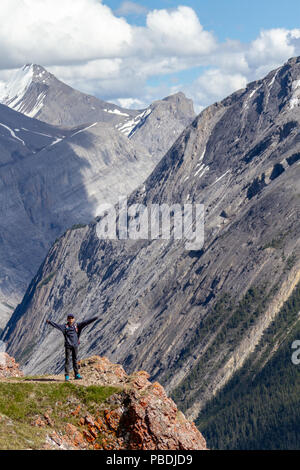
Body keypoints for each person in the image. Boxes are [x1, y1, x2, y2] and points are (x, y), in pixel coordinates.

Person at [46, 314, 98, 381]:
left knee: (75, 360)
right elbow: (57, 325)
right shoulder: (64, 327)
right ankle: (67, 375)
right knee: (67, 360)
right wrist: (50, 322)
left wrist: (95, 318)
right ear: (67, 319)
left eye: (72, 318)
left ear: (74, 319)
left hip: (75, 345)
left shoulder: (77, 326)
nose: (70, 319)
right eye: (69, 318)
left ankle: (76, 374)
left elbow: (86, 322)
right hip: (68, 346)